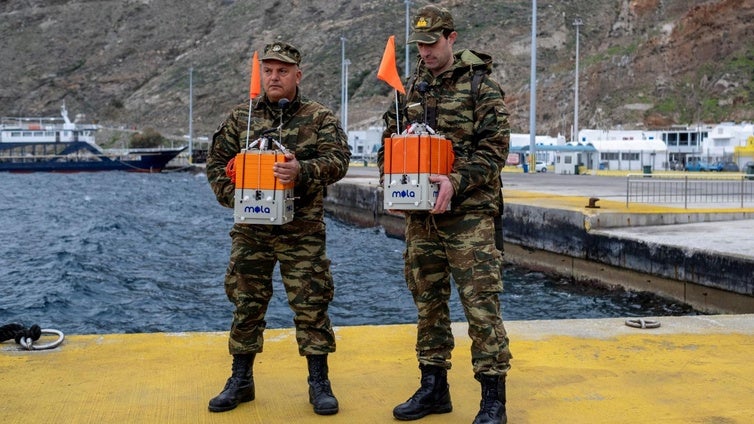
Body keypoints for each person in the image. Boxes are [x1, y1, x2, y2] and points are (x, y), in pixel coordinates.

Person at [378, 5, 512, 424]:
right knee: (428, 304)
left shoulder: (481, 88)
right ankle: (434, 387)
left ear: (451, 38)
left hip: (469, 216)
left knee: (480, 304)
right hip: (421, 218)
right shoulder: (408, 89)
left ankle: (493, 399)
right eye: (419, 44)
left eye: (433, 43)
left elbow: (495, 151)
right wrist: (391, 179)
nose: (426, 51)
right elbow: (388, 142)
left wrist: (456, 180)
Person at [205, 41, 351, 416]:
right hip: (251, 232)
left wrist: (302, 170)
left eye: (282, 71)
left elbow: (338, 160)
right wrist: (232, 196)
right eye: (268, 70)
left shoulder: (319, 118)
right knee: (245, 303)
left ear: (297, 75)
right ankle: (241, 379)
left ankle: (319, 382)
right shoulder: (242, 118)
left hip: (302, 231)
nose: (274, 77)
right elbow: (217, 163)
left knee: (311, 304)